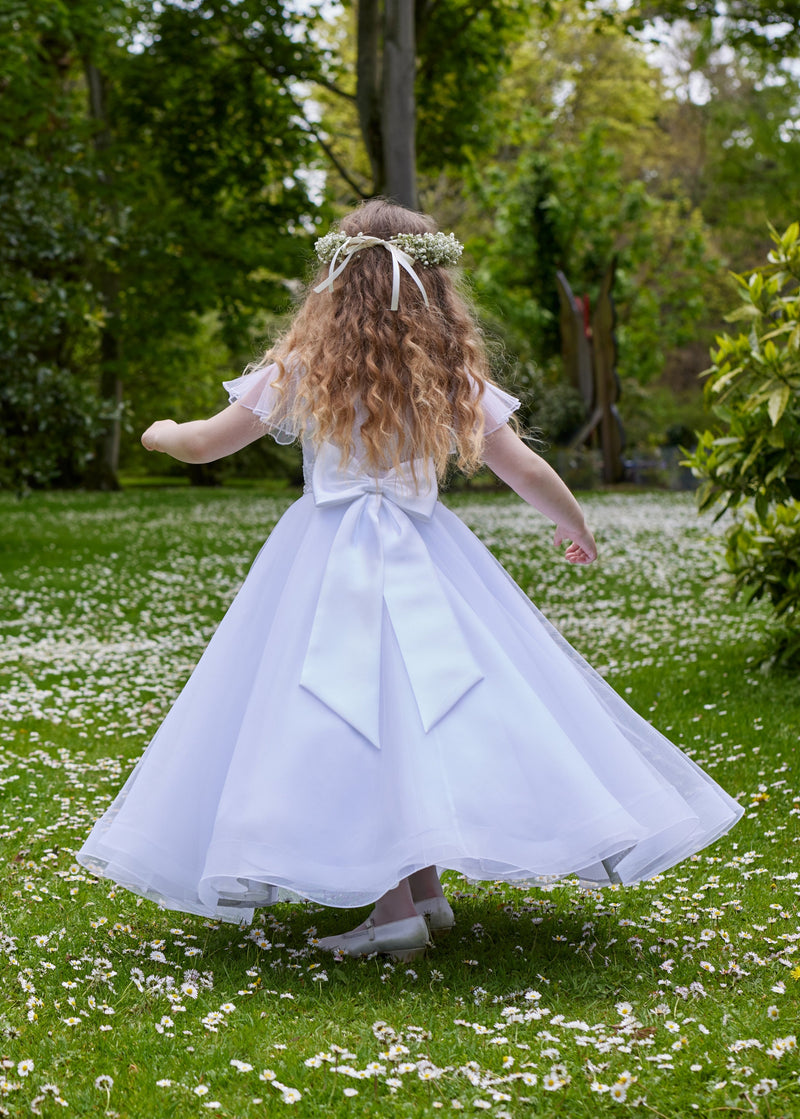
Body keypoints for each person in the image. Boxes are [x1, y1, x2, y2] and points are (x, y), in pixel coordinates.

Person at [76, 199, 742, 963]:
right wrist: (573, 521)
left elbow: (203, 443)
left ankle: (395, 908)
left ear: (335, 282)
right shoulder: (451, 372)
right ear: (436, 291)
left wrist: (158, 432)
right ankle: (421, 890)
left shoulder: (302, 369)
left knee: (356, 714)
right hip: (427, 555)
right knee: (414, 708)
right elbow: (522, 465)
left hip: (326, 559)